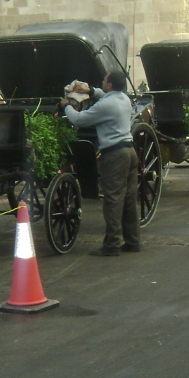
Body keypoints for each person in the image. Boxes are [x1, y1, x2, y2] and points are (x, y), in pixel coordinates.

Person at [60, 71, 140, 256]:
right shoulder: (124, 99)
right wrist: (90, 90)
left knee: (112, 200)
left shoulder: (106, 105)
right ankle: (133, 241)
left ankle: (112, 245)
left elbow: (79, 119)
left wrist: (66, 106)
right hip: (130, 151)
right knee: (128, 199)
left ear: (110, 84)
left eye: (105, 80)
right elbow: (104, 96)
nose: (103, 81)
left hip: (114, 155)